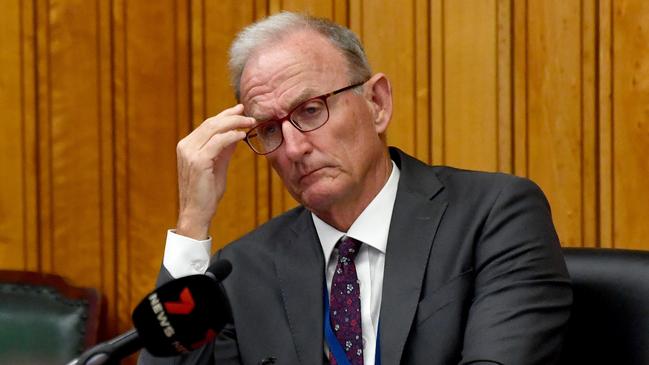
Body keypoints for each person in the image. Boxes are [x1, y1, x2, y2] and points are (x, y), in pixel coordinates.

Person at [139, 11, 572, 365]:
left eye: (310, 110)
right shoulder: (245, 270)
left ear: (377, 104)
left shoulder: (495, 216)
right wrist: (193, 225)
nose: (293, 147)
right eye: (269, 129)